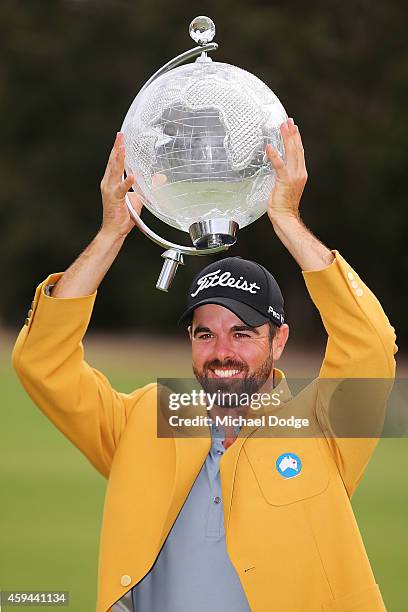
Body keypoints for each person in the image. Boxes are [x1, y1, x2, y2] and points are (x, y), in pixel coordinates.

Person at [12, 119, 397, 612]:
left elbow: (369, 341)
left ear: (279, 341)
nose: (222, 351)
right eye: (205, 333)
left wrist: (286, 219)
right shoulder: (144, 421)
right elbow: (42, 361)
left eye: (243, 333)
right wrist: (111, 233)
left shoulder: (323, 425)